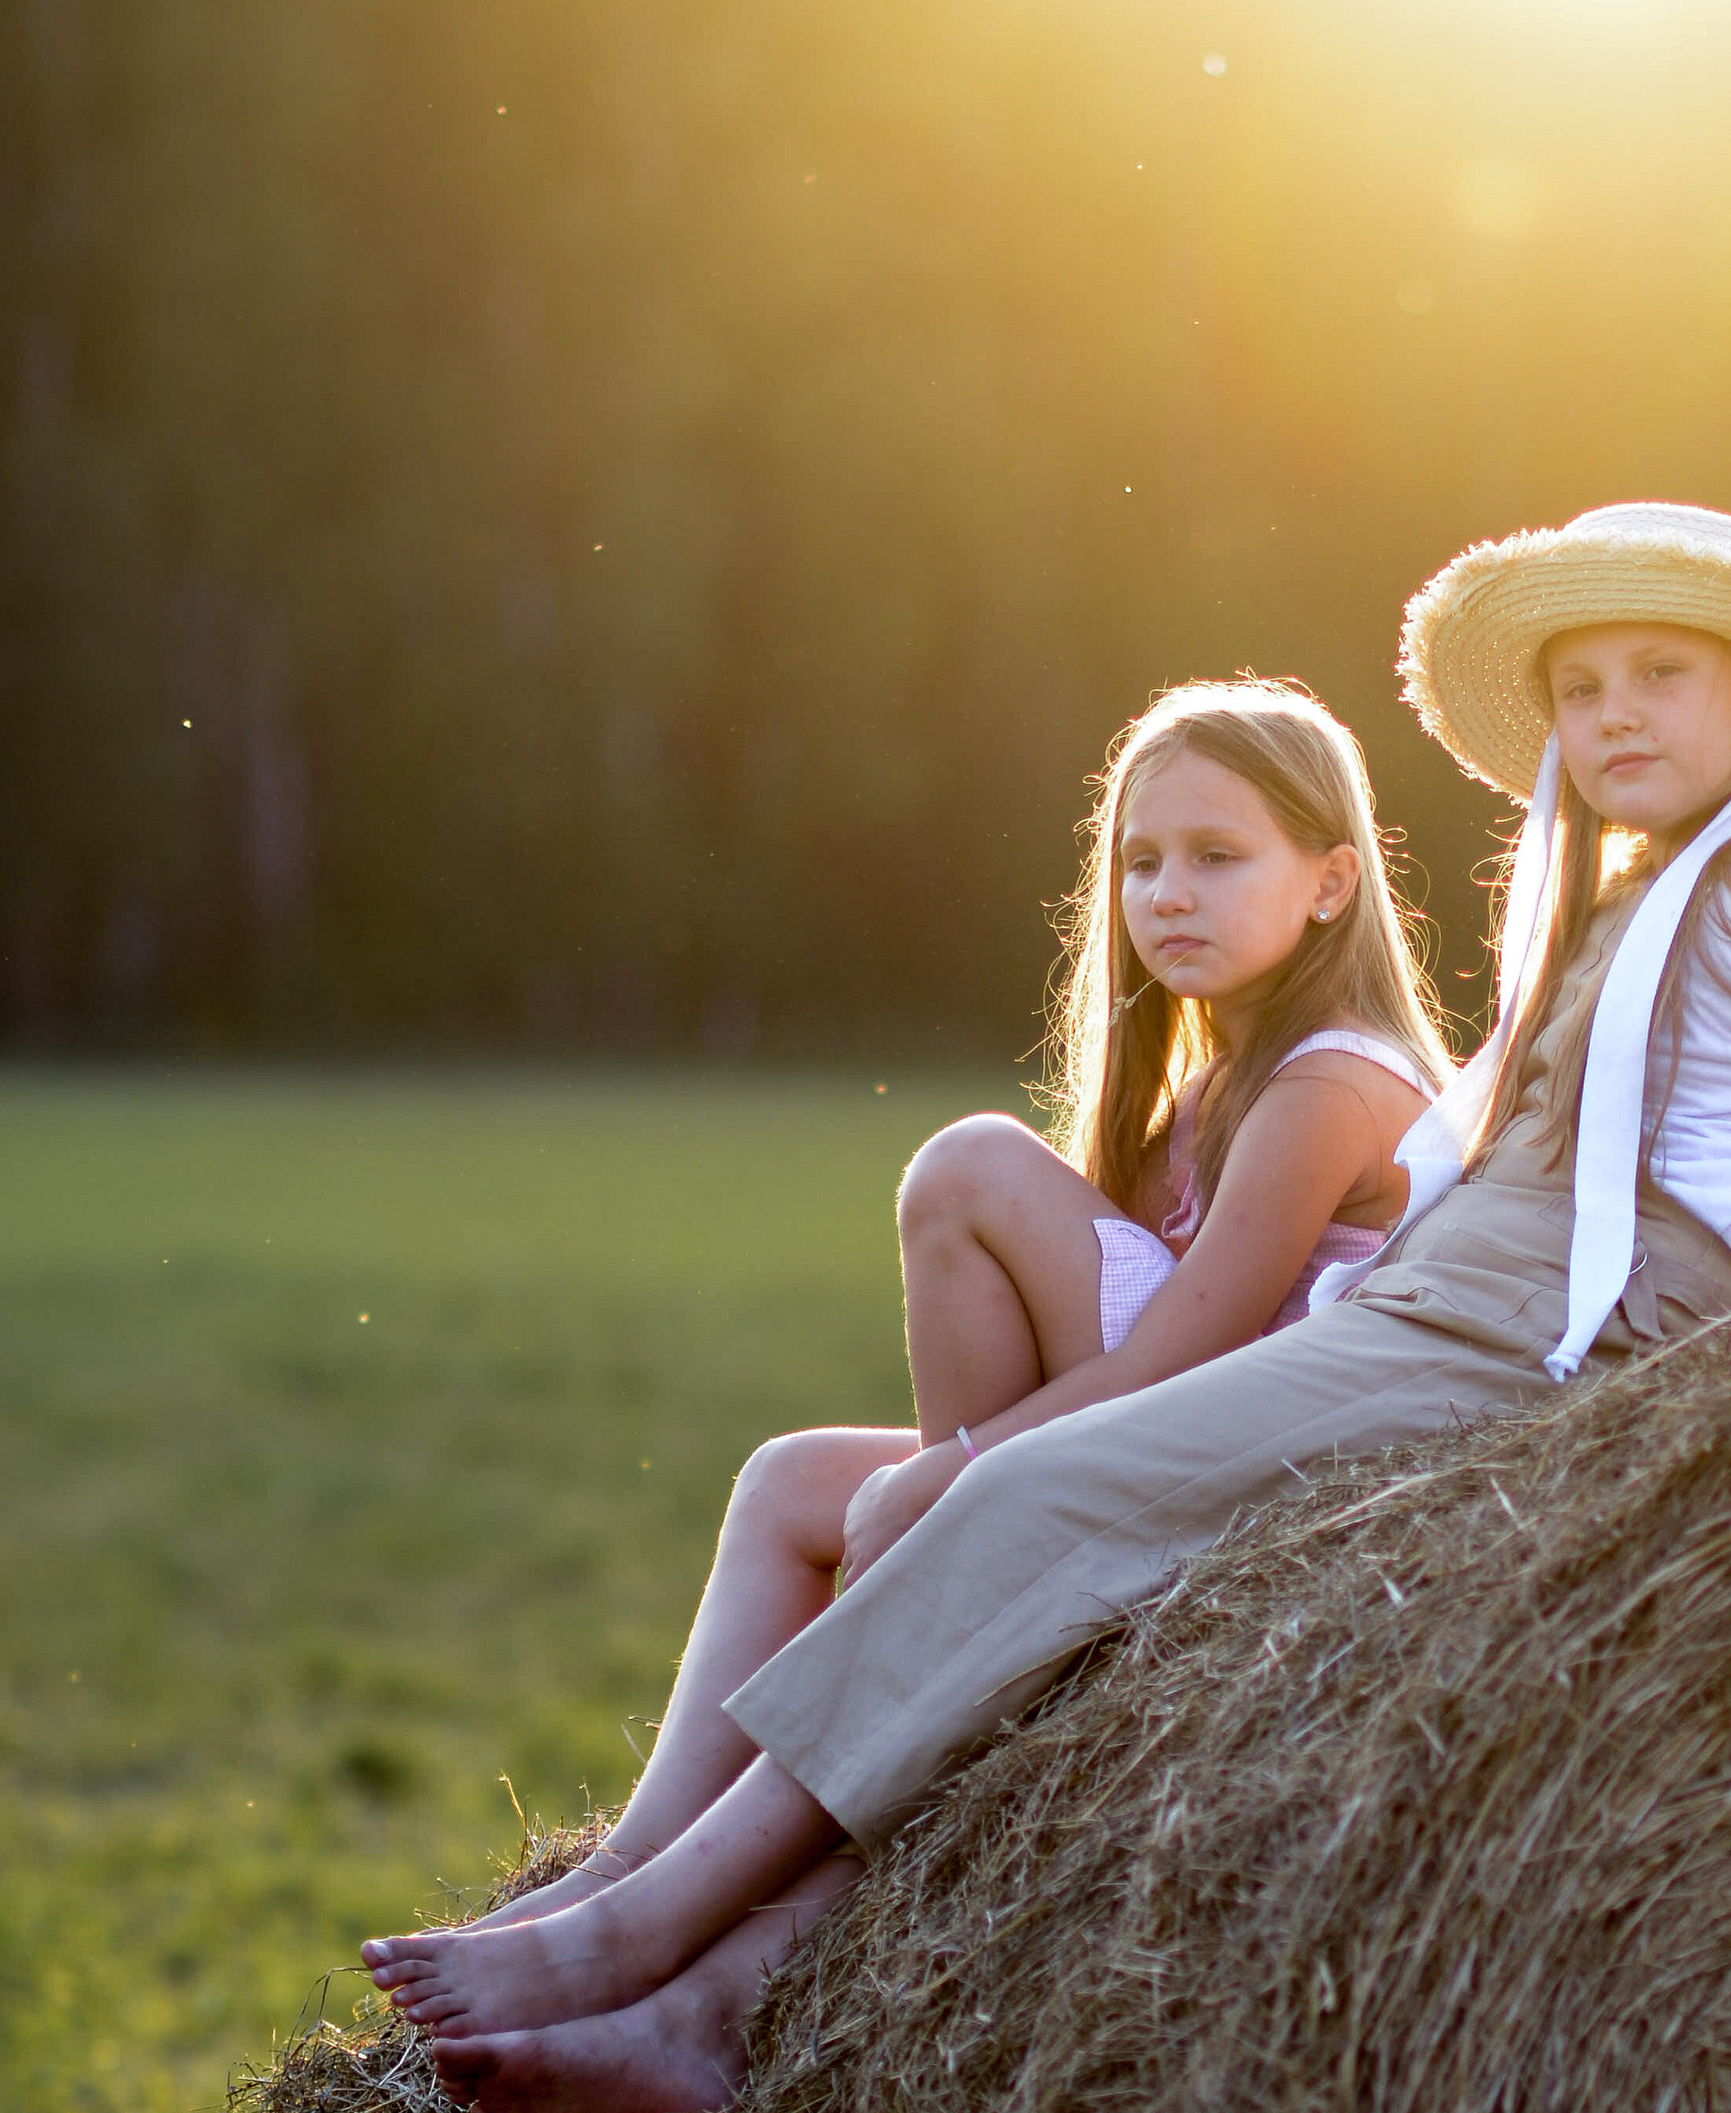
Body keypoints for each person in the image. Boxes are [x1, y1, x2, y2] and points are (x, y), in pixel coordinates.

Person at [366, 501, 1731, 2113]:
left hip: (1528, 1342)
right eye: (1584, 686)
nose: (1615, 714)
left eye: (1664, 674)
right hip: (1455, 1306)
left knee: (1029, 1499)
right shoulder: (1643, 910)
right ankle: (724, 1989)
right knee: (1085, 1574)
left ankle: (648, 1936)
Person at [454, 675, 1451, 1946]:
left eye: (1217, 856)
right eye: (1141, 861)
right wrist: (955, 1470)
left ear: (1330, 882)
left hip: (1253, 1479)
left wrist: (957, 1468)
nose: (1168, 893)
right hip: (1178, 1452)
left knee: (969, 1165)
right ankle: (632, 1863)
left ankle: (935, 1652)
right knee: (787, 1481)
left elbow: (1180, 1361)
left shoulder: (1331, 1088)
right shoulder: (1206, 1093)